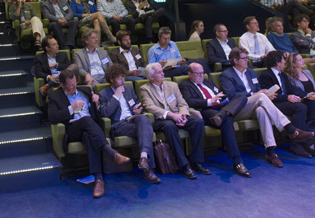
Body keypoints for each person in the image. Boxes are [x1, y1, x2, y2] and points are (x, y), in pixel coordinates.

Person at [219, 47, 314, 167]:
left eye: (247, 58)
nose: (247, 60)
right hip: (238, 109)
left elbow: (258, 89)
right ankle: (290, 129)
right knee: (261, 97)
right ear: (235, 60)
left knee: (262, 111)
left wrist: (267, 94)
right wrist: (255, 94)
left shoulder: (250, 72)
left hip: (255, 105)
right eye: (244, 58)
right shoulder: (226, 75)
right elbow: (232, 95)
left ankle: (271, 152)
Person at [48, 68, 130, 198]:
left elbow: (97, 114)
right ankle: (111, 152)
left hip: (90, 129)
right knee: (86, 120)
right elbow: (53, 118)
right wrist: (71, 108)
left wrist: (96, 103)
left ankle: (98, 180)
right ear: (62, 85)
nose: (74, 87)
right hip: (72, 128)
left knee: (89, 135)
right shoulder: (54, 96)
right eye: (71, 85)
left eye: (75, 83)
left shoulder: (85, 91)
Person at [179, 63, 251, 177]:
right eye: (198, 73)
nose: (201, 76)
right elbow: (189, 101)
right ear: (190, 74)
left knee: (241, 96)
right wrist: (210, 101)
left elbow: (220, 94)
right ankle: (238, 162)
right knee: (227, 118)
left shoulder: (208, 82)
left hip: (222, 108)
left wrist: (224, 99)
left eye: (202, 73)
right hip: (206, 111)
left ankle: (222, 115)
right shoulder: (185, 85)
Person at [139, 63, 209, 179]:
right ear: (151, 77)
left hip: (178, 115)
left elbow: (182, 103)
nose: (163, 74)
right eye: (159, 72)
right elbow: (150, 107)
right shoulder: (145, 89)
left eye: (162, 71)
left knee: (198, 122)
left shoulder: (172, 85)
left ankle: (197, 161)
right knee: (170, 126)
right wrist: (172, 115)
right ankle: (184, 165)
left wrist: (183, 115)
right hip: (161, 119)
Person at [97, 64, 160, 184]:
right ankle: (149, 170)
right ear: (111, 79)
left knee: (143, 119)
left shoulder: (129, 89)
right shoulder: (103, 94)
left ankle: (143, 158)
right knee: (146, 130)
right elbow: (105, 113)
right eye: (120, 78)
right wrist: (116, 96)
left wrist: (137, 109)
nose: (123, 81)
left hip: (132, 118)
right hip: (118, 124)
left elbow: (136, 103)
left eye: (124, 78)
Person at [258, 51, 315, 157]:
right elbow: (269, 96)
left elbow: (293, 89)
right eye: (283, 60)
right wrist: (287, 97)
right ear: (278, 62)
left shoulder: (282, 75)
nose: (285, 62)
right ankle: (297, 144)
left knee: (314, 104)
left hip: (286, 102)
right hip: (274, 104)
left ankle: (310, 138)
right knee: (300, 107)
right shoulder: (266, 75)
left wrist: (306, 94)